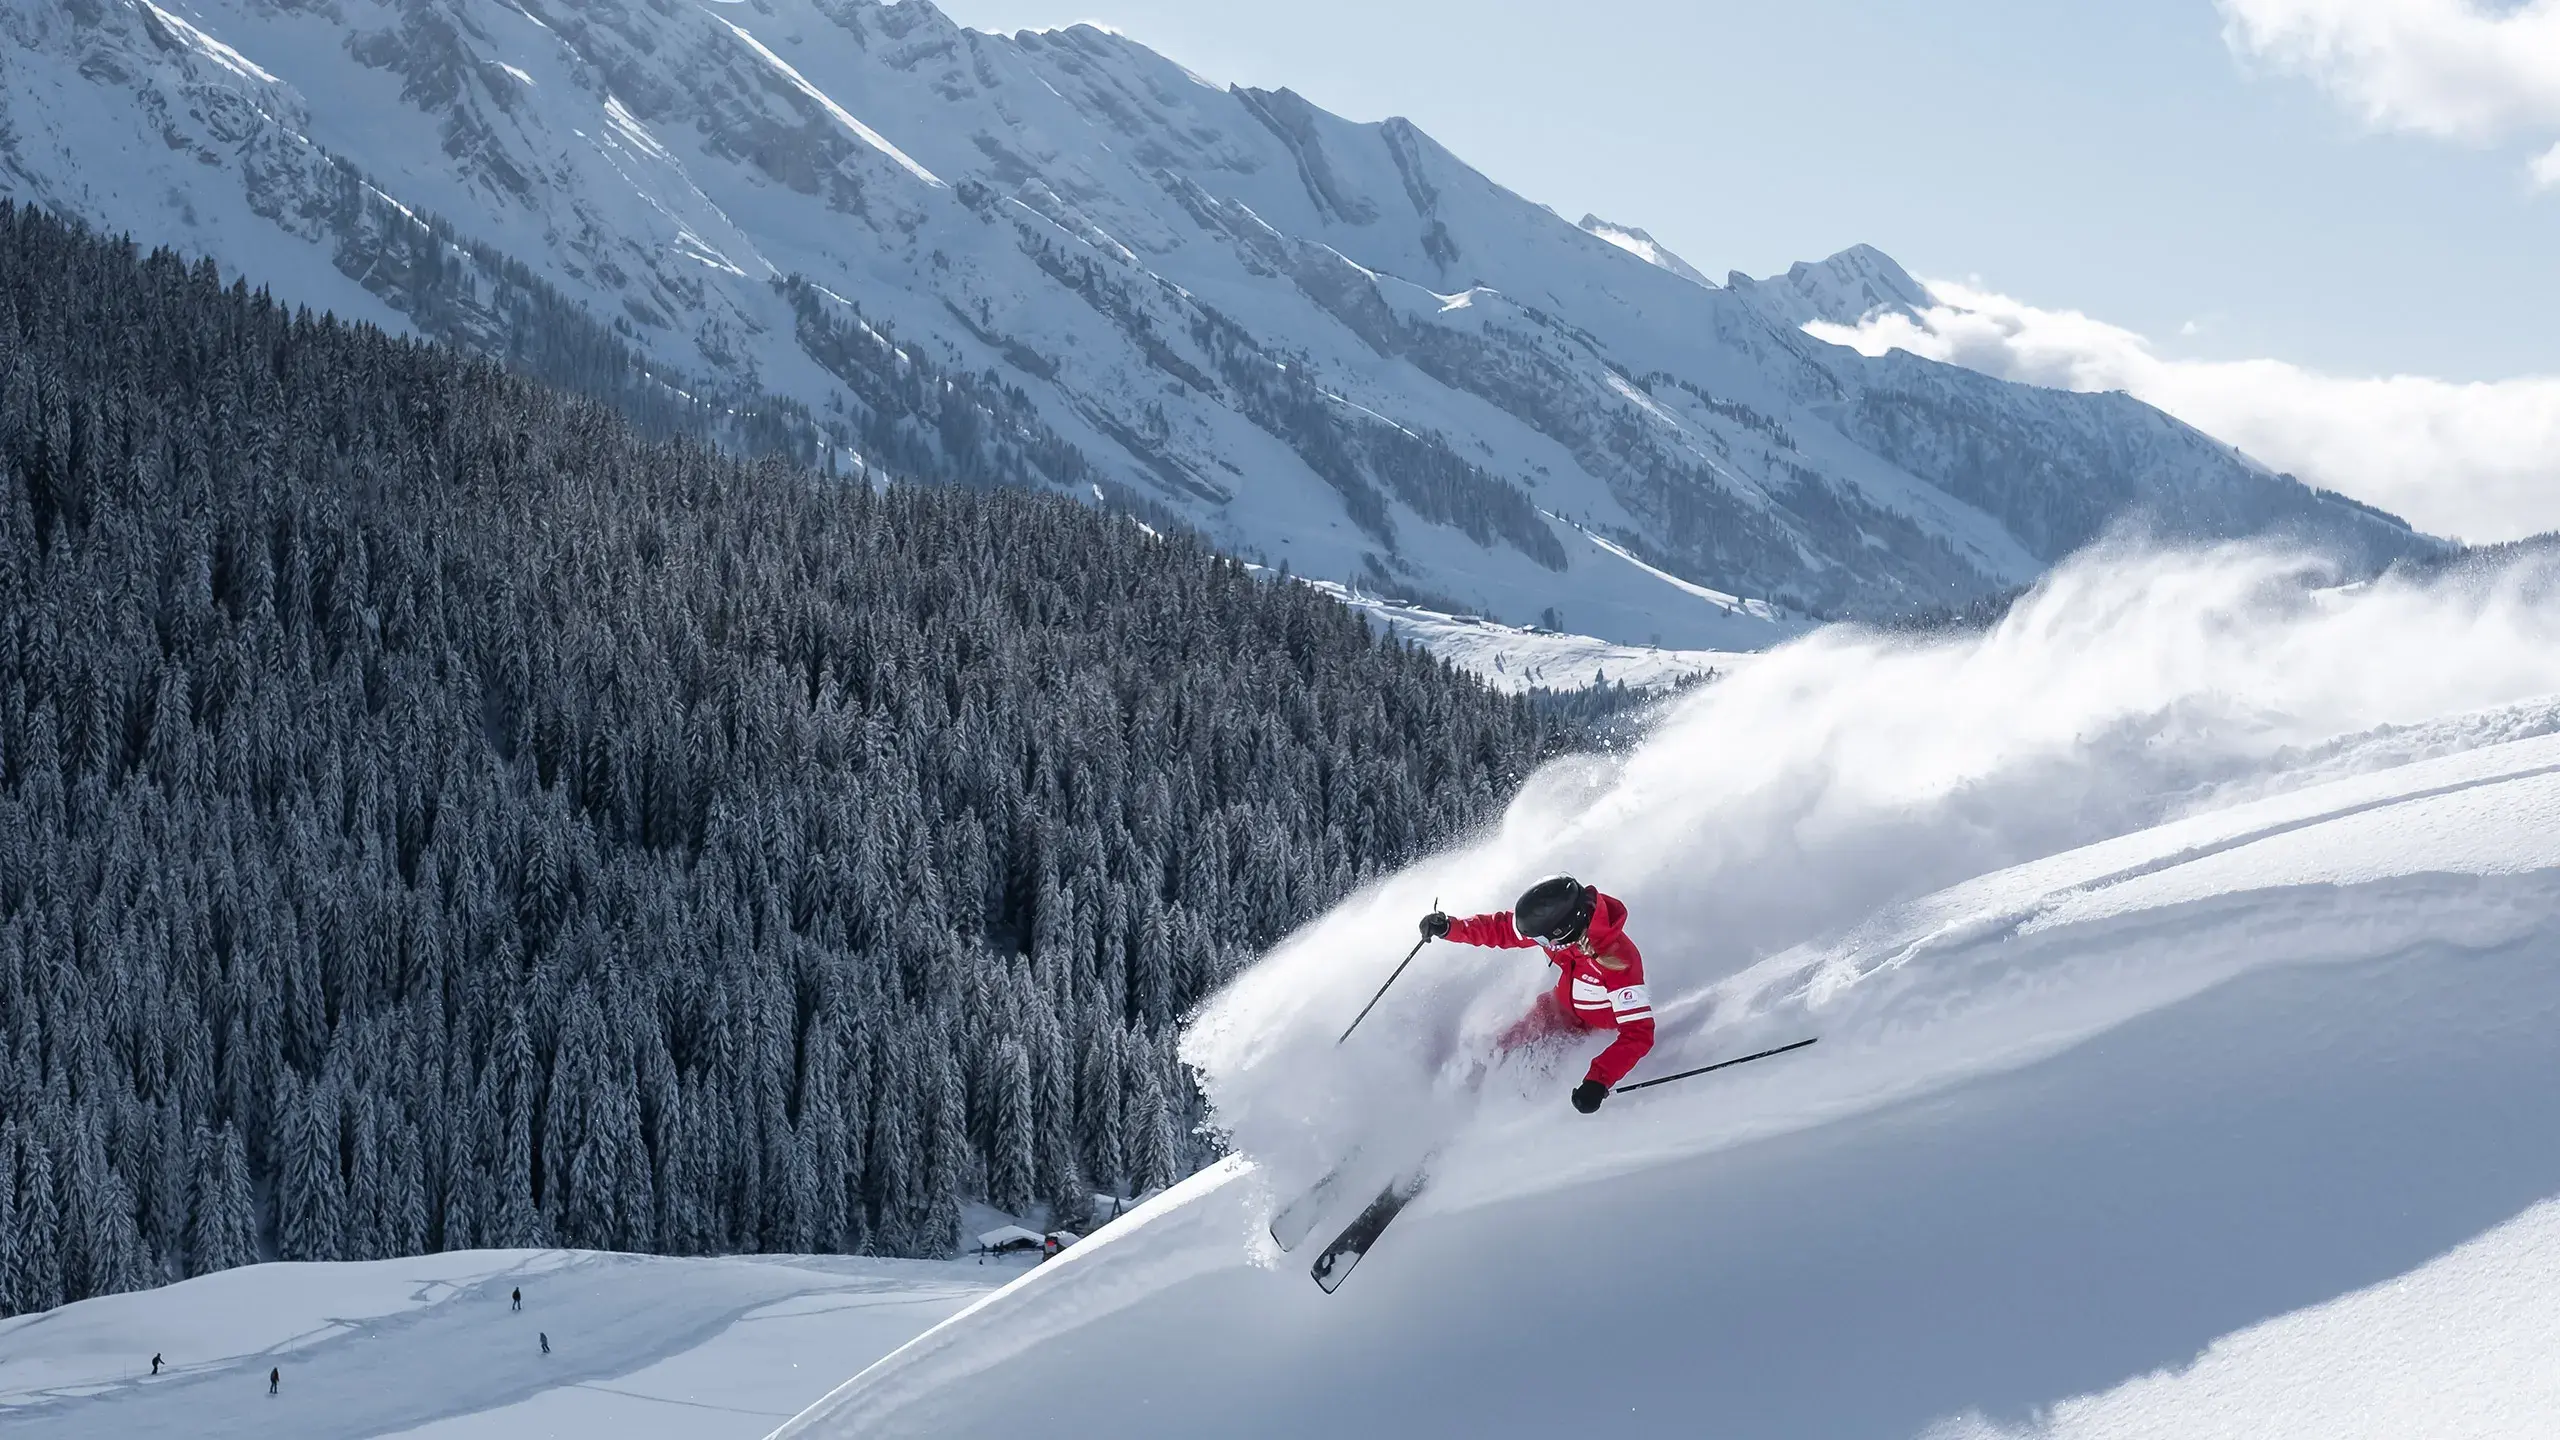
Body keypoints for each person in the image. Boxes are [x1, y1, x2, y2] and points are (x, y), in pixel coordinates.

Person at [1421, 875, 1653, 1113]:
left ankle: (1503, 1120)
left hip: (1587, 1033)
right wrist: (1451, 928)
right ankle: (1463, 1097)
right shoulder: (1556, 927)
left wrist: (1599, 1080)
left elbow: (1638, 1033)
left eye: (1541, 939)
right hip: (1555, 1010)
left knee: (1529, 1080)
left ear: (1565, 932)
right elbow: (1501, 929)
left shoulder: (1620, 961)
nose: (1537, 943)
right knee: (1501, 1048)